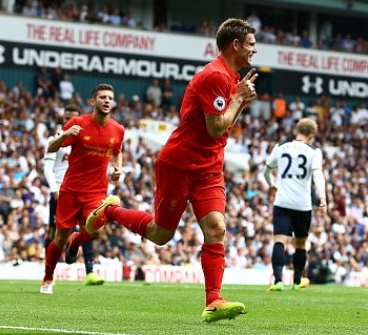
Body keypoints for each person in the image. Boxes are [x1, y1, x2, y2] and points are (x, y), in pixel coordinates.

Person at [84, 18, 258, 323]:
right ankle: (109, 212)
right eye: (251, 43)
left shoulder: (231, 78)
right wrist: (239, 100)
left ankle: (214, 300)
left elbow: (223, 124)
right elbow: (216, 127)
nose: (255, 49)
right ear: (236, 45)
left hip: (209, 168)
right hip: (179, 164)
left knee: (216, 228)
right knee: (161, 235)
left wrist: (239, 101)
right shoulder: (215, 76)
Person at [40, 83, 124, 294]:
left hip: (96, 192)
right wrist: (63, 135)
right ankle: (48, 278)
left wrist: (118, 169)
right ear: (93, 102)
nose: (106, 100)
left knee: (96, 232)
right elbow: (51, 148)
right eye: (102, 97)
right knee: (59, 239)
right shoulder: (77, 123)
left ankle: (76, 240)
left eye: (109, 98)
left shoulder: (118, 129)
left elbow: (117, 151)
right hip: (70, 190)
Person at [42, 104, 104, 286]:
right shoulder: (57, 139)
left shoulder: (86, 139)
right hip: (60, 190)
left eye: (73, 118)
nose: (69, 122)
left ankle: (90, 271)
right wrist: (54, 189)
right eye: (66, 118)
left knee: (89, 226)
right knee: (55, 233)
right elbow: (47, 165)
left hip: (84, 191)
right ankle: (49, 272)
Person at [262, 118, 327, 291]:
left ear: (297, 129)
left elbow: (266, 171)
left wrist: (272, 186)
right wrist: (322, 197)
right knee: (300, 243)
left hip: (282, 201)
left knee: (279, 240)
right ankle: (297, 282)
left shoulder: (281, 147)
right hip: (302, 204)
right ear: (312, 135)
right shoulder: (314, 151)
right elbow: (317, 175)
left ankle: (277, 281)